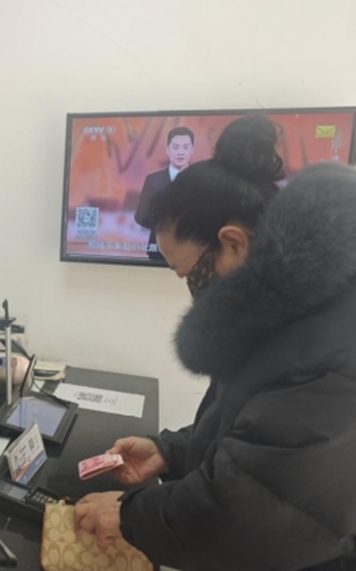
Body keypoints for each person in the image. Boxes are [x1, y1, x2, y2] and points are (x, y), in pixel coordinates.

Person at [76, 116, 356, 569]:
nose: (190, 288)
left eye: (187, 273)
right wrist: (171, 452)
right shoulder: (285, 309)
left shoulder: (336, 343)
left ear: (234, 244)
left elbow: (248, 513)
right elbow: (255, 428)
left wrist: (128, 514)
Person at [134, 126, 195, 261]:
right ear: (167, 150)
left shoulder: (201, 180)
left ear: (192, 150)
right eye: (176, 147)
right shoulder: (153, 180)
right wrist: (165, 226)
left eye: (185, 147)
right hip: (158, 251)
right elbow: (140, 216)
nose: (180, 152)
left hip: (192, 252)